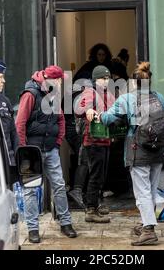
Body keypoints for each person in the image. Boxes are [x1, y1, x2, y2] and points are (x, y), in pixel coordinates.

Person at [98, 62, 164, 246]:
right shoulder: (159, 97)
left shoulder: (126, 99)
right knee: (150, 189)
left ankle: (148, 230)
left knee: (142, 192)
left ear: (133, 83)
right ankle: (144, 222)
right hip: (158, 151)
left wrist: (96, 115)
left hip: (138, 150)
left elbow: (108, 118)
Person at [15, 65, 77, 243]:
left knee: (59, 185)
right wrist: (23, 149)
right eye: (59, 81)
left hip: (51, 150)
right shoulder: (30, 94)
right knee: (31, 189)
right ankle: (33, 229)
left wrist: (57, 142)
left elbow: (61, 120)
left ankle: (65, 223)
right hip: (31, 151)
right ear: (53, 79)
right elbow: (20, 123)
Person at [75, 65, 115, 223]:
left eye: (107, 78)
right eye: (102, 78)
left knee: (102, 174)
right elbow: (79, 108)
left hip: (105, 139)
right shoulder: (89, 92)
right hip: (93, 140)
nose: (106, 81)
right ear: (95, 79)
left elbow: (114, 109)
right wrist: (88, 110)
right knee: (96, 175)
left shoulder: (108, 94)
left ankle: (96, 204)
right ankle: (90, 209)